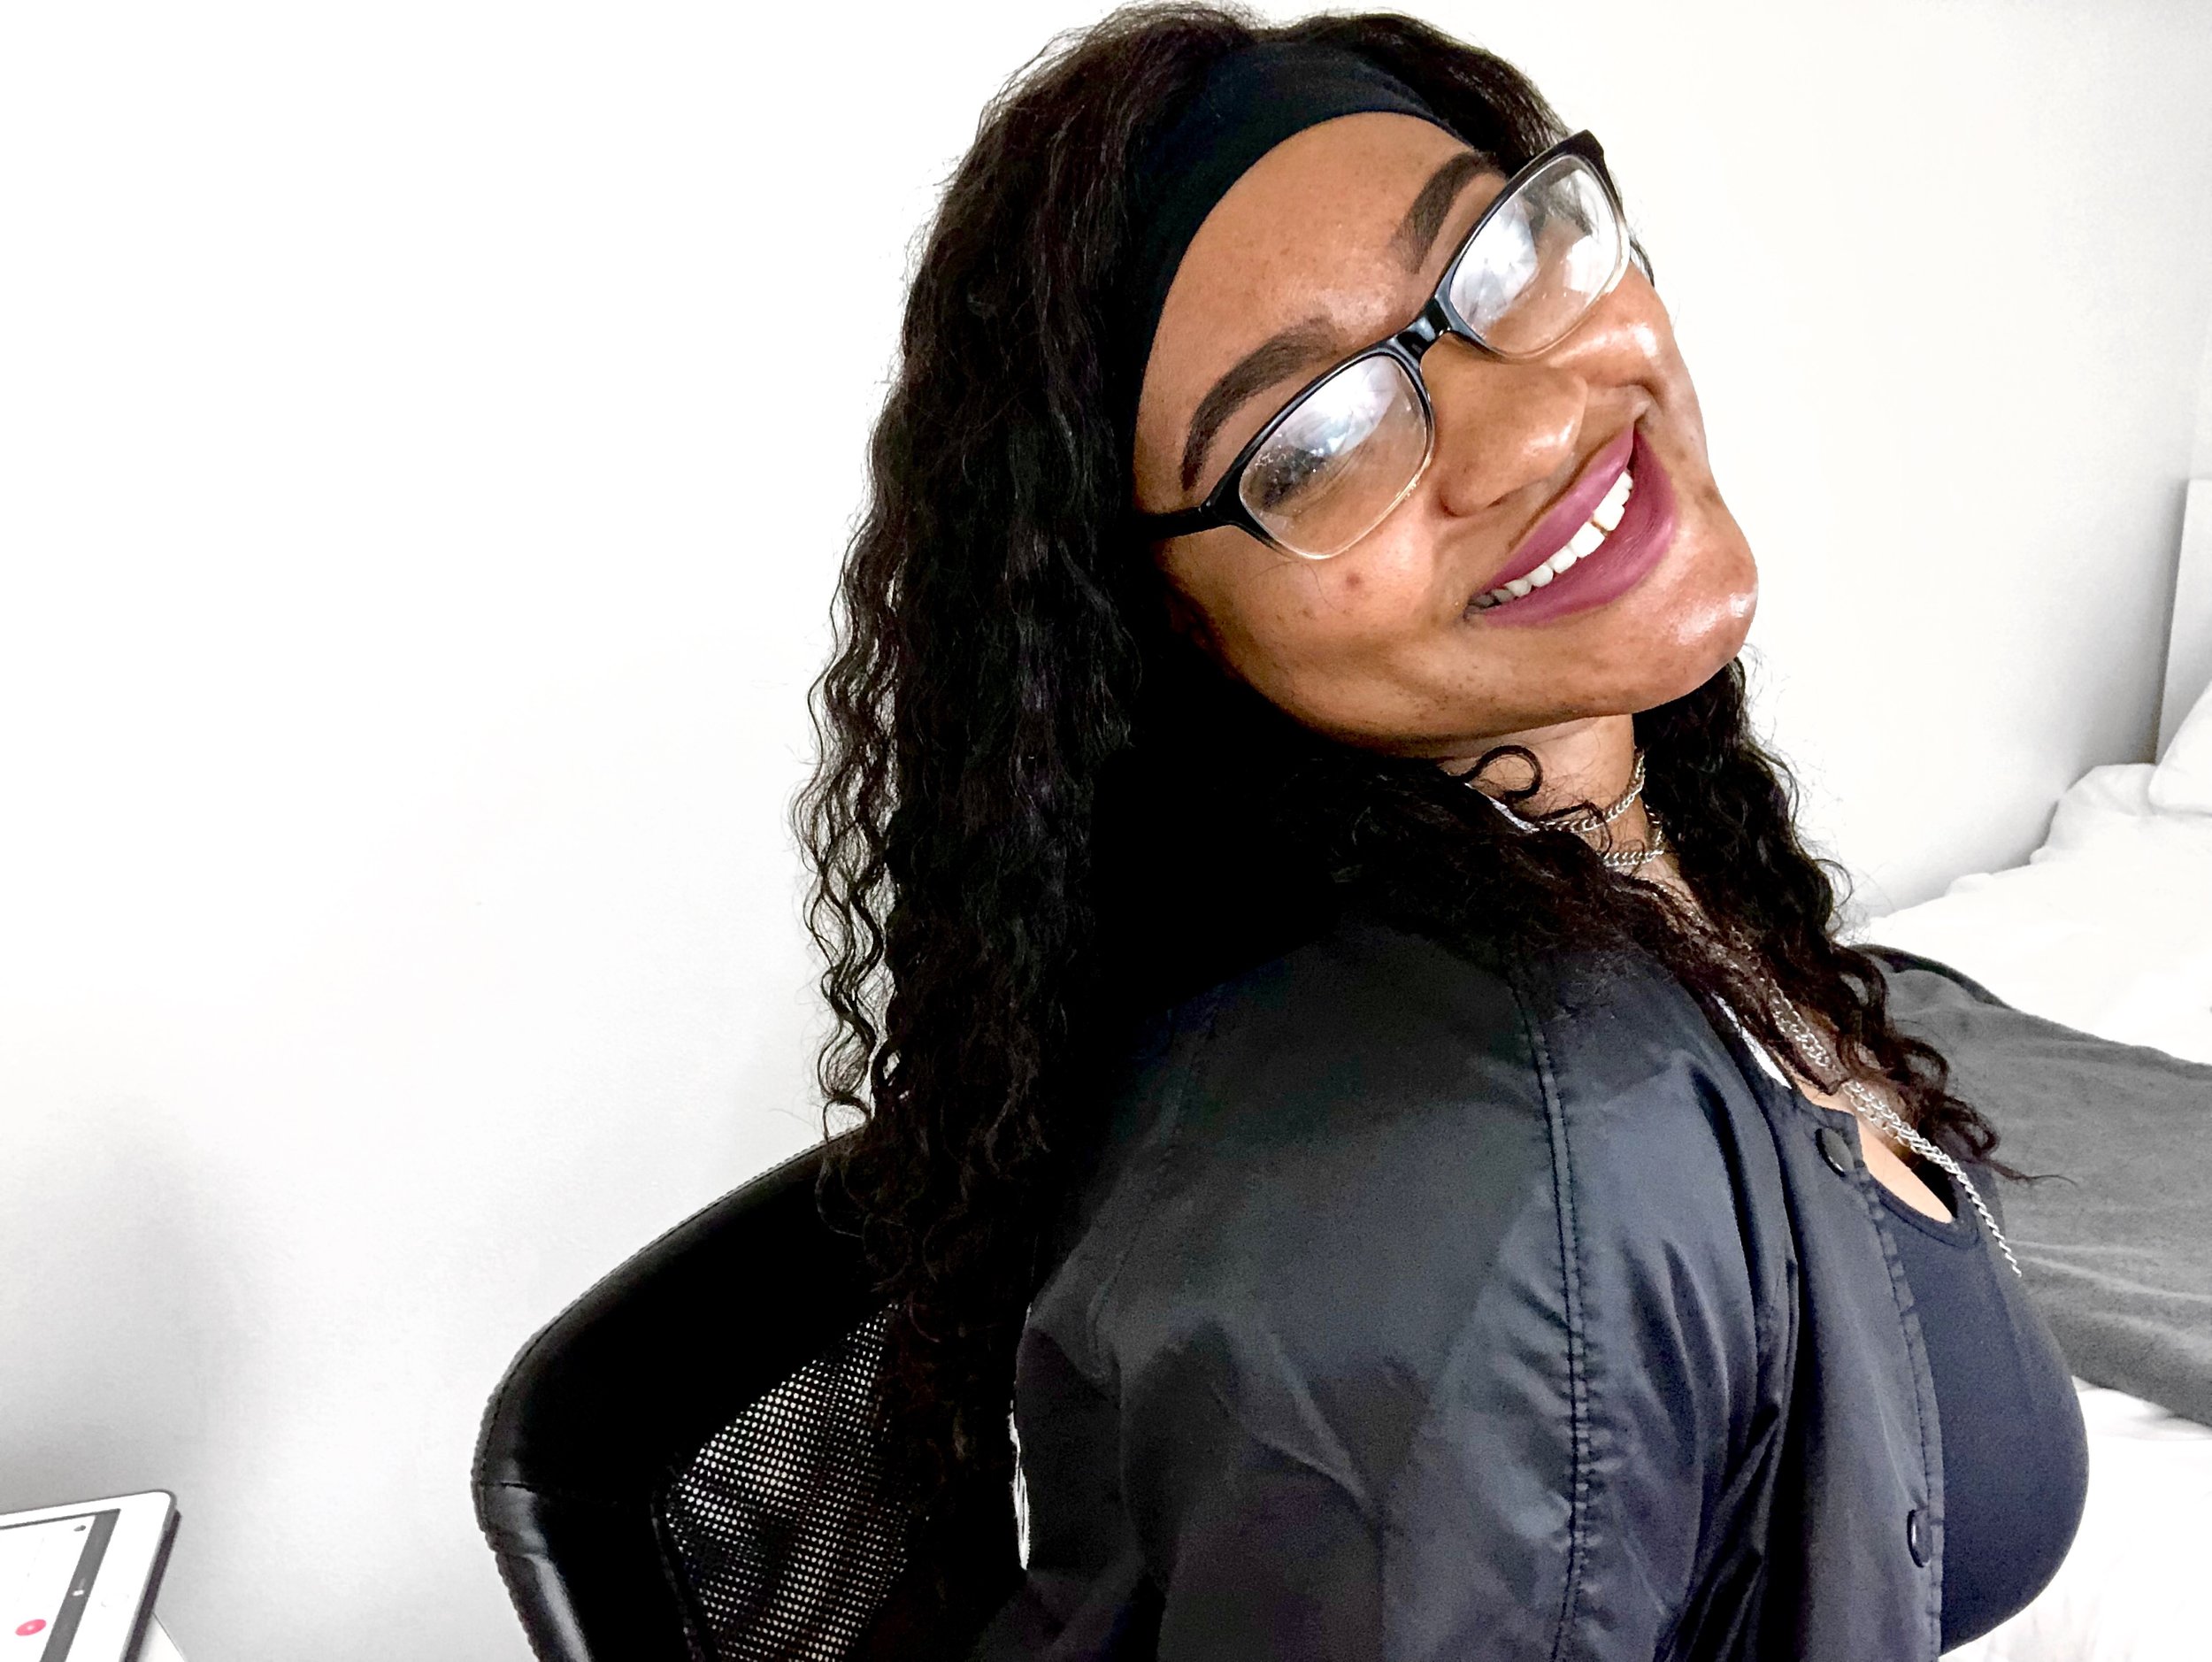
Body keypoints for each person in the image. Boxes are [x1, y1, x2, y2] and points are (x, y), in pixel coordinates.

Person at [798, 6, 2089, 1657]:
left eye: (1504, 256)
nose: (1531, 423)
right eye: (1316, 440)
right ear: (1171, 624)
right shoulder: (1500, 1180)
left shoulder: (1603, 859)